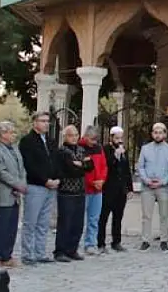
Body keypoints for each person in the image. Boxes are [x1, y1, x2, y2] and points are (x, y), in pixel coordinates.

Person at [18, 112, 60, 265]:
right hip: (35, 186)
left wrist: (56, 179)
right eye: (42, 121)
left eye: (48, 121)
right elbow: (29, 165)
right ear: (34, 122)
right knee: (31, 221)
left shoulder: (50, 141)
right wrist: (44, 180)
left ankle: (40, 252)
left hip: (51, 187)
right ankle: (28, 254)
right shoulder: (27, 141)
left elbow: (55, 161)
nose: (46, 124)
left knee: (44, 222)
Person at [0, 121, 25, 267]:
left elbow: (21, 169)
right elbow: (0, 172)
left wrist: (21, 184)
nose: (13, 135)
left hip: (16, 194)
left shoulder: (15, 149)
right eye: (11, 132)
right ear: (3, 134)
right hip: (3, 193)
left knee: (11, 226)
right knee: (0, 226)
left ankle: (7, 255)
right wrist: (16, 184)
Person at [136, 123, 168, 252]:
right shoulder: (145, 148)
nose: (158, 135)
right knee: (146, 215)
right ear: (152, 134)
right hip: (147, 186)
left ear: (165, 134)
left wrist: (163, 181)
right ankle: (146, 240)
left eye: (160, 132)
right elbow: (140, 166)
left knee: (164, 214)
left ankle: (164, 240)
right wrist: (147, 180)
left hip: (163, 186)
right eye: (155, 132)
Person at [53, 125, 89, 262]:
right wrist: (81, 165)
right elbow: (71, 170)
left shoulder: (81, 149)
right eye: (70, 135)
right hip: (66, 192)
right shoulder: (62, 151)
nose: (74, 138)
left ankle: (72, 249)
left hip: (80, 191)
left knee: (78, 223)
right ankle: (60, 251)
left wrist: (80, 165)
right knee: (65, 222)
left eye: (75, 135)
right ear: (65, 136)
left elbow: (90, 167)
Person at [99, 127, 132, 252]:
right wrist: (115, 156)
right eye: (116, 138)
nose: (119, 140)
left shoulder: (123, 150)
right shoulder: (105, 149)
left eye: (121, 138)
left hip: (121, 190)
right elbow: (106, 166)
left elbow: (127, 170)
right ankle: (101, 243)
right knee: (103, 217)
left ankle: (116, 242)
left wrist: (130, 188)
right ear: (111, 137)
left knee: (118, 217)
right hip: (108, 188)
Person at [80, 127, 108, 255]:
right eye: (92, 139)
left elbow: (103, 166)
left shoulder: (99, 148)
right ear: (85, 137)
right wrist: (92, 182)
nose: (94, 142)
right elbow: (83, 170)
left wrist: (101, 180)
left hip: (98, 189)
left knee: (94, 219)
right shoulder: (80, 148)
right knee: (79, 219)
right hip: (85, 189)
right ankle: (75, 243)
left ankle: (90, 244)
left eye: (96, 139)